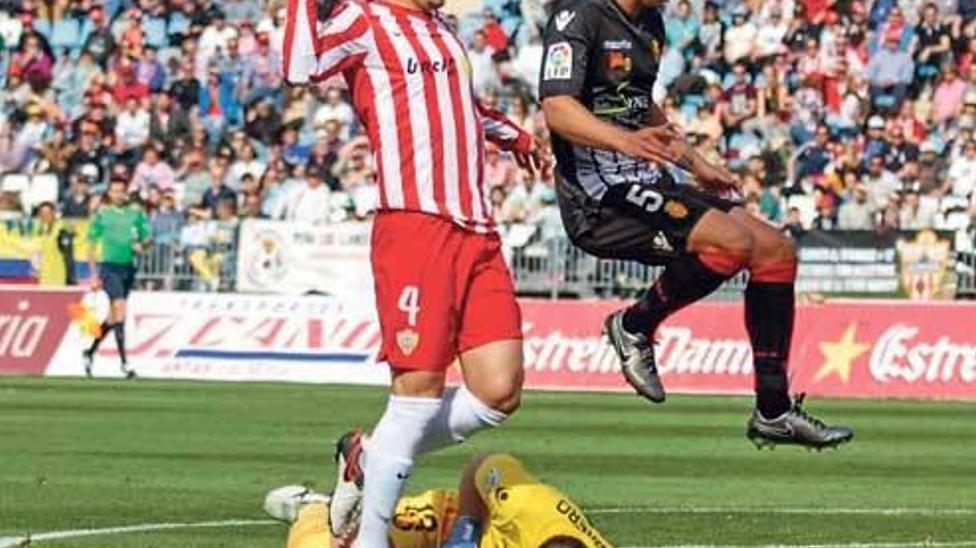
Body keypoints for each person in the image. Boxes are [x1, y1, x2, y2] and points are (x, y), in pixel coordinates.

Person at [538, 0, 853, 449]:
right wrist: (625, 142)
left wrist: (695, 162)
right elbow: (557, 109)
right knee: (731, 243)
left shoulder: (651, 23)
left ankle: (773, 410)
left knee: (776, 252)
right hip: (598, 195)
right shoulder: (579, 16)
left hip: (648, 177)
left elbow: (641, 105)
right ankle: (634, 325)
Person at [283, 0, 541, 546]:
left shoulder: (440, 29)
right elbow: (299, 69)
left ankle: (369, 454)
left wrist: (515, 136)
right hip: (416, 227)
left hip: (477, 231)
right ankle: (369, 541)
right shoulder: (363, 19)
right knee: (418, 390)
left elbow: (461, 110)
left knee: (499, 392)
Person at [264, 451, 608, 548]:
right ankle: (314, 507)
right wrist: (466, 533)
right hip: (443, 525)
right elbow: (482, 464)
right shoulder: (528, 503)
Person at [83, 179, 151, 379]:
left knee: (113, 318)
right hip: (110, 268)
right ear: (109, 193)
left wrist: (142, 245)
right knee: (121, 310)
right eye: (114, 191)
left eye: (121, 191)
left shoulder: (135, 213)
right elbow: (90, 245)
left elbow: (147, 237)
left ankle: (89, 352)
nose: (118, 195)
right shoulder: (102, 214)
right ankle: (125, 364)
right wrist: (94, 275)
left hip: (128, 268)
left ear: (125, 193)